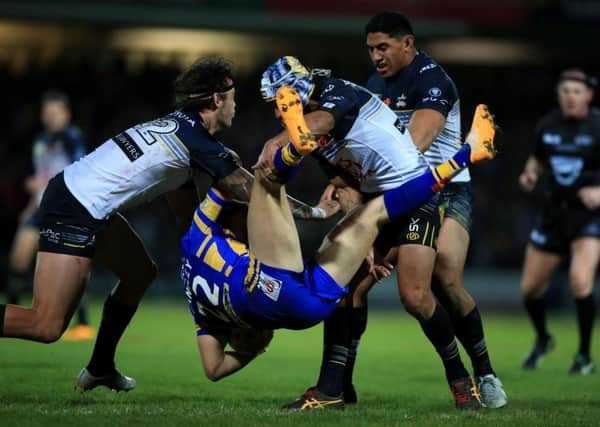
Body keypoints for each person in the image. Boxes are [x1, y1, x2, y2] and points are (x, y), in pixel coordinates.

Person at [0, 57, 334, 392]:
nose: (236, 105)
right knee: (45, 325)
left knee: (139, 273)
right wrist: (314, 212)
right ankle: (99, 365)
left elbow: (188, 218)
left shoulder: (184, 131)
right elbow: (255, 191)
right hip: (75, 205)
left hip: (87, 203)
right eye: (232, 97)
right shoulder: (199, 143)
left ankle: (101, 367)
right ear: (217, 99)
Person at [183, 84, 497, 402]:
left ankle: (333, 391)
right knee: (268, 179)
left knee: (384, 239)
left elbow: (213, 369)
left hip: (306, 306)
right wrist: (227, 162)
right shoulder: (196, 246)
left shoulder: (204, 318)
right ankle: (464, 155)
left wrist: (254, 351)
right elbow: (229, 188)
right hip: (275, 287)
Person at [255, 56, 494, 410]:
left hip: (415, 198)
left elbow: (320, 122)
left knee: (415, 297)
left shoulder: (339, 93)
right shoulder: (316, 137)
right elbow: (348, 184)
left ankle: (462, 383)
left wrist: (275, 143)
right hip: (376, 204)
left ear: (296, 93)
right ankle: (333, 388)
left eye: (279, 103)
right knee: (337, 286)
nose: (277, 114)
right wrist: (362, 240)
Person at [519, 69, 599, 375]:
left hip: (587, 218)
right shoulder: (549, 124)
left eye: (576, 91)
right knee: (529, 290)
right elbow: (537, 157)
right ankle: (543, 339)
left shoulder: (598, 125)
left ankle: (583, 355)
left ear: (588, 96)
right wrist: (530, 173)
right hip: (552, 214)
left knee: (581, 280)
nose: (570, 97)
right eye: (565, 91)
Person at [5, 91, 95, 341]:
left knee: (69, 268)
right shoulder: (41, 140)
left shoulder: (71, 137)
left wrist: (44, 182)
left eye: (55, 113)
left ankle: (83, 323)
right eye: (47, 113)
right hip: (39, 209)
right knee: (18, 260)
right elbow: (42, 171)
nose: (50, 117)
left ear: (66, 114)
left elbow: (78, 169)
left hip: (62, 211)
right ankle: (14, 320)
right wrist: (30, 204)